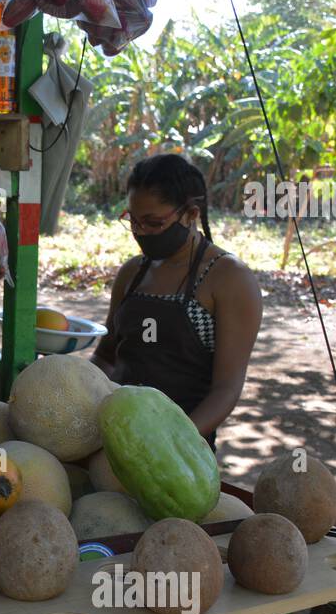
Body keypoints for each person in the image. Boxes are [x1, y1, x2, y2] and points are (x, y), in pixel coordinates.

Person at [90, 154, 262, 447]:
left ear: (190, 215)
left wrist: (174, 441)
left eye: (153, 223)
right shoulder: (132, 272)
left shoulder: (230, 279)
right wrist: (76, 387)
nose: (139, 232)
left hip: (181, 449)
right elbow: (106, 356)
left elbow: (226, 388)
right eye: (132, 220)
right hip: (116, 436)